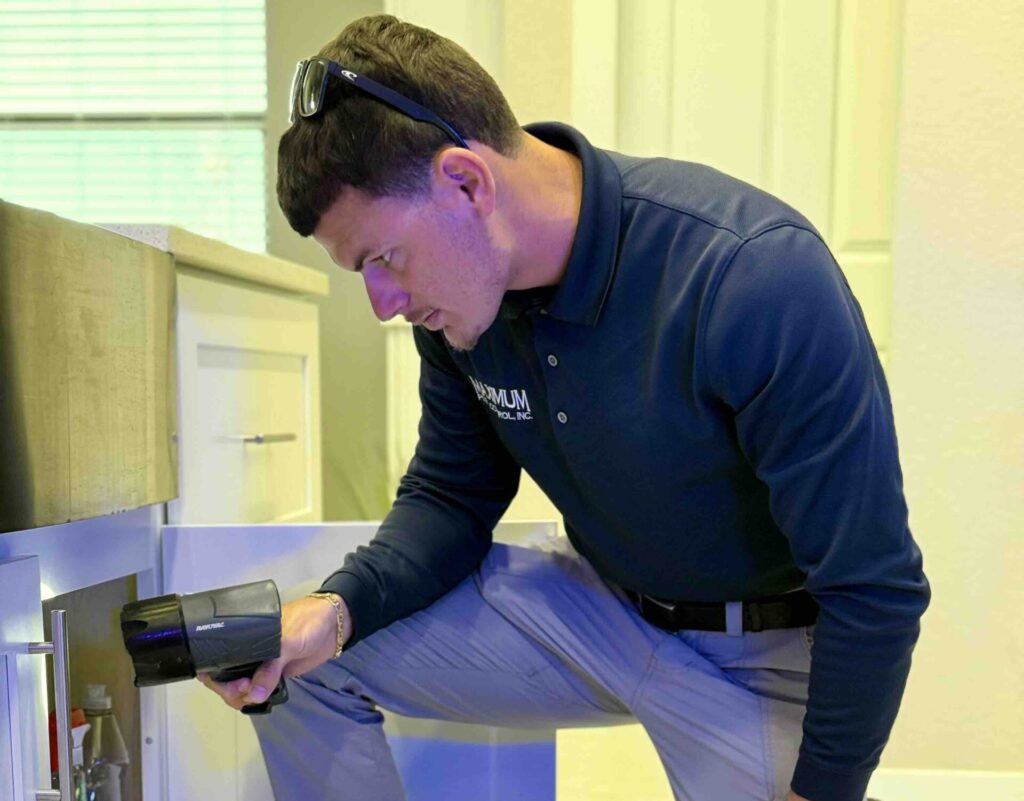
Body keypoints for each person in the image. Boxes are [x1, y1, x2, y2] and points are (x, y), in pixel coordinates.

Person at [199, 14, 929, 801]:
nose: (383, 303)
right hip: (600, 606)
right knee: (303, 658)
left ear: (465, 182)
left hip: (762, 654)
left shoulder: (752, 276)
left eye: (384, 258)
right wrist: (335, 609)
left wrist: (822, 790)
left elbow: (874, 585)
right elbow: (450, 496)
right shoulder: (460, 308)